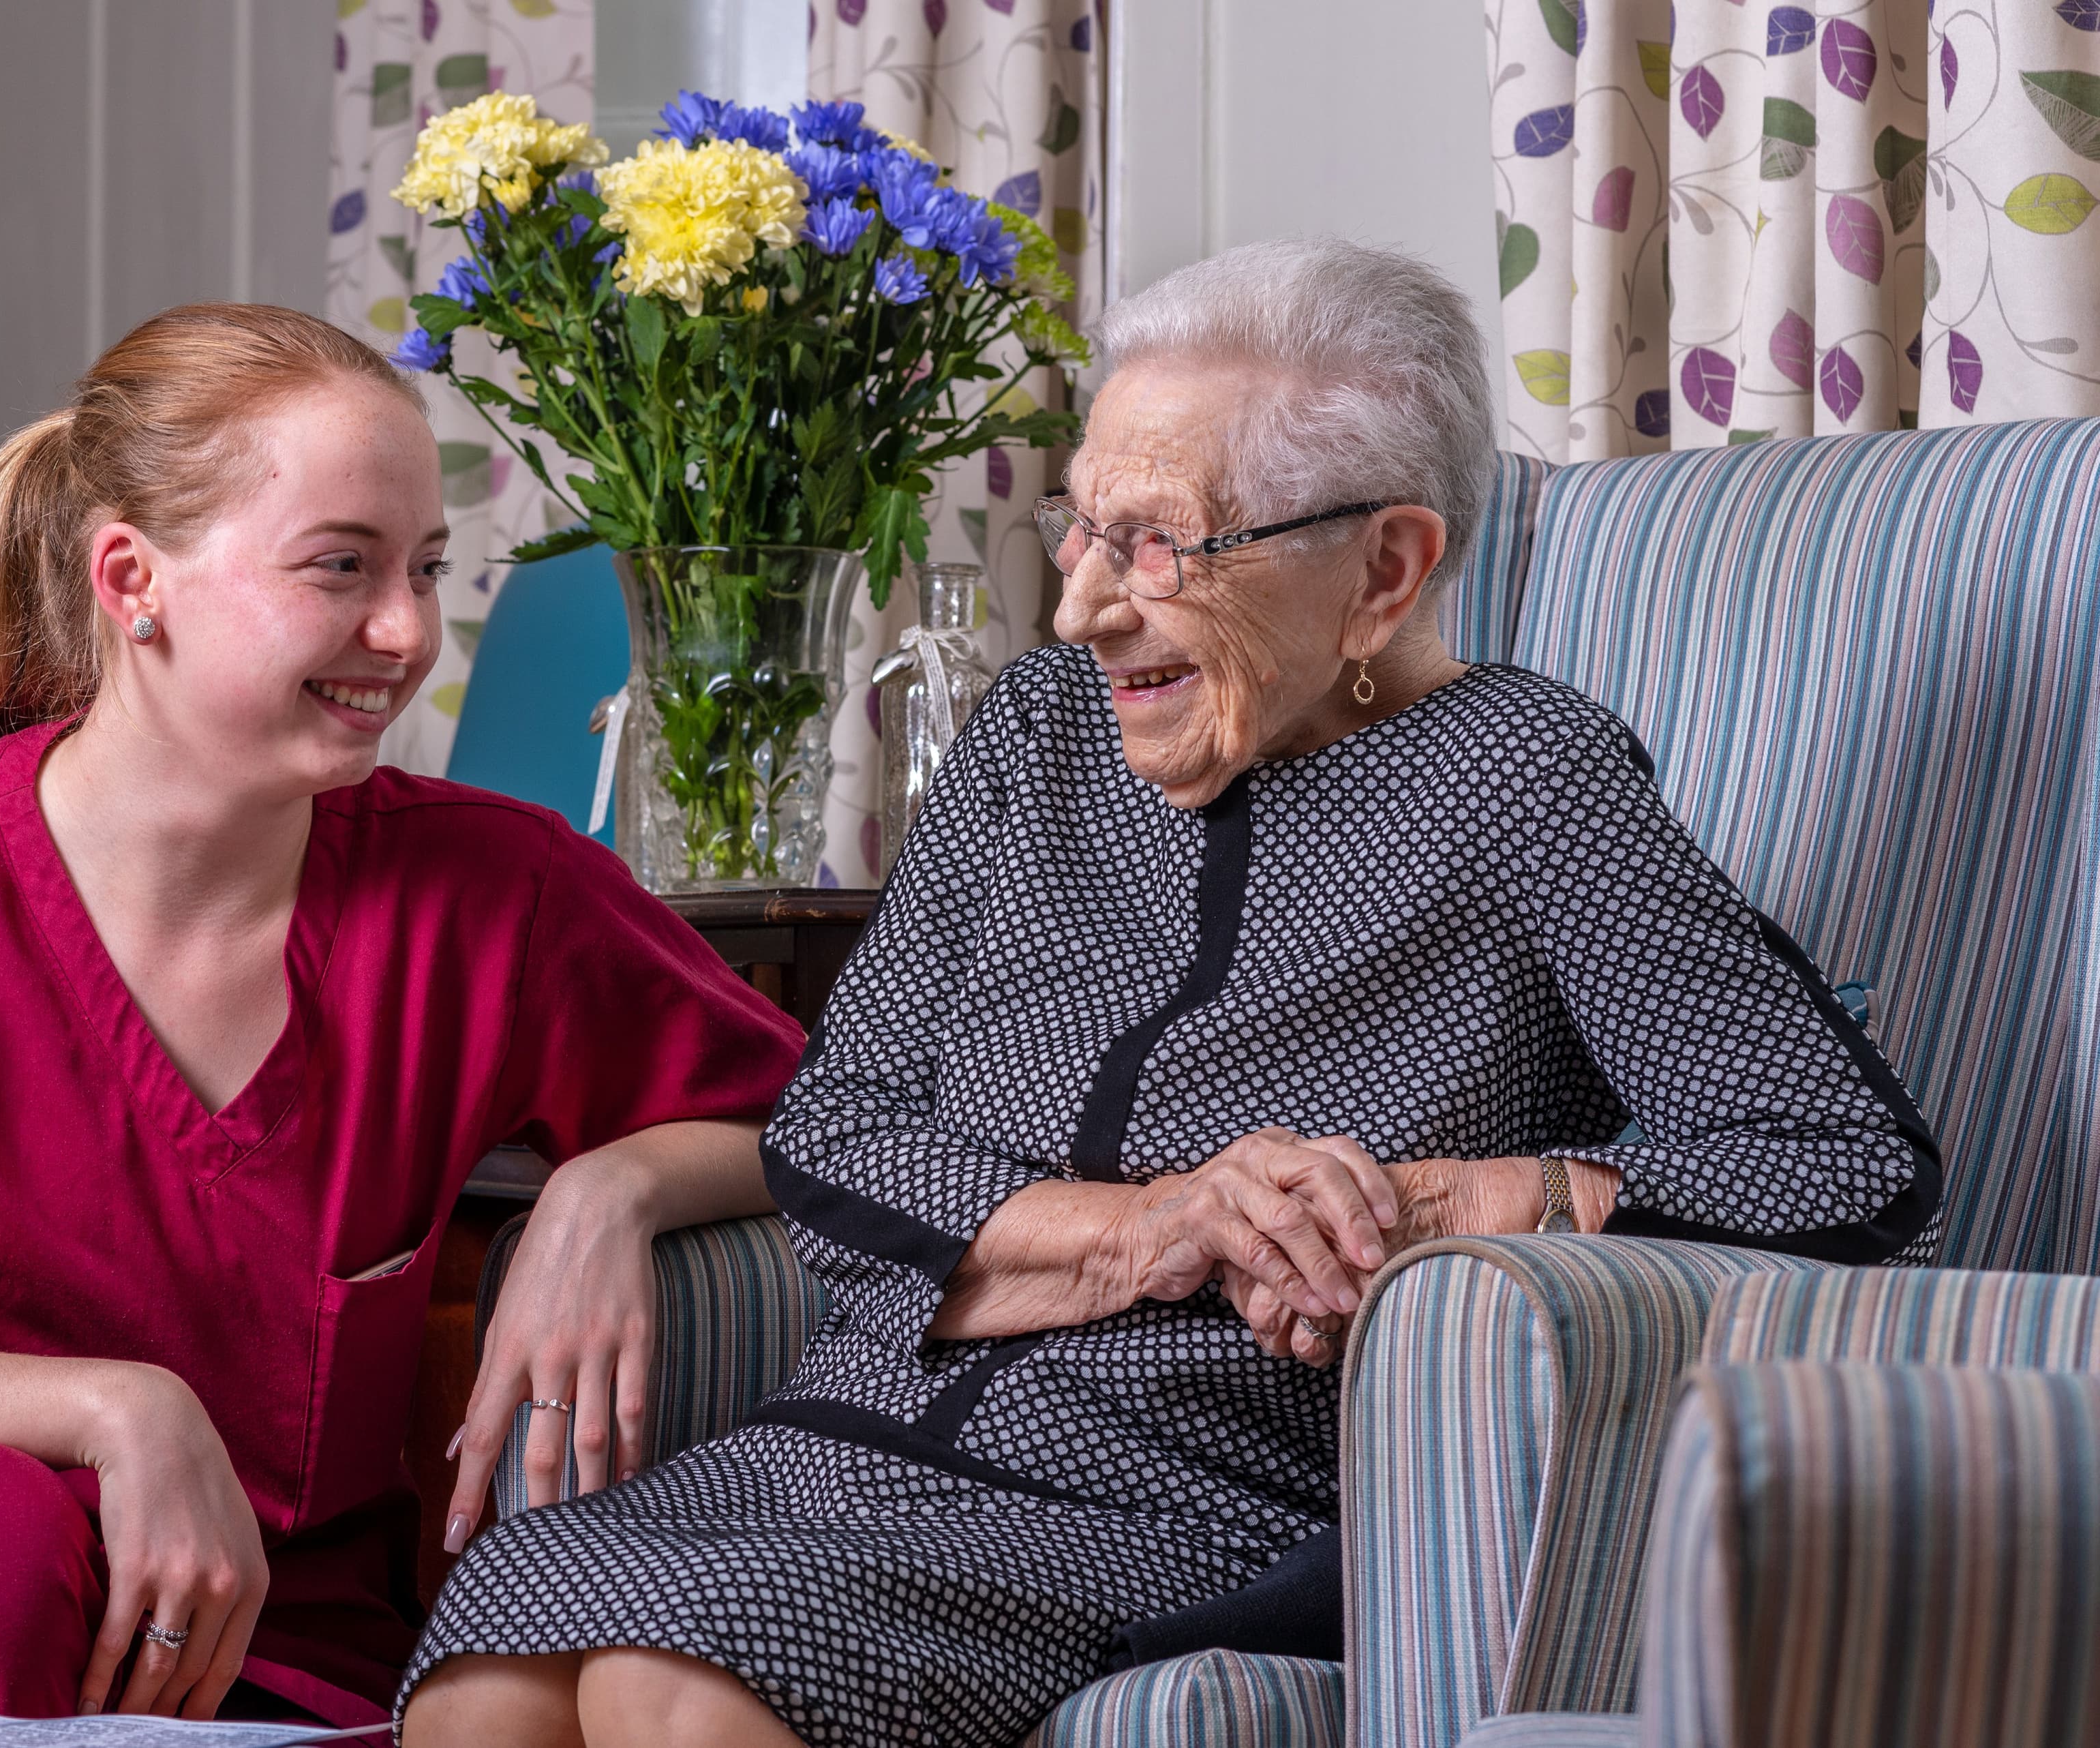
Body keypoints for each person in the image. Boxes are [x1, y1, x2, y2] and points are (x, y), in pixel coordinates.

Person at [397, 239, 1942, 1747]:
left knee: (682, 1692)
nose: (1081, 609)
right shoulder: (1041, 737)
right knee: (488, 1693)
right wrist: (1158, 1228)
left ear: (1384, 569)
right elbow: (837, 1129)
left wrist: (1447, 1203)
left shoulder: (1523, 778)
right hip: (848, 1438)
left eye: (1158, 545)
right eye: (1080, 533)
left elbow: (1839, 1167)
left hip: (1188, 1487)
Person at [0, 303, 805, 1728]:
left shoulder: (497, 889)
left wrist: (618, 1185)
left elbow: (843, 1121)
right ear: (132, 579)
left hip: (280, 1664)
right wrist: (118, 1410)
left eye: (425, 569)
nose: (407, 632)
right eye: (340, 567)